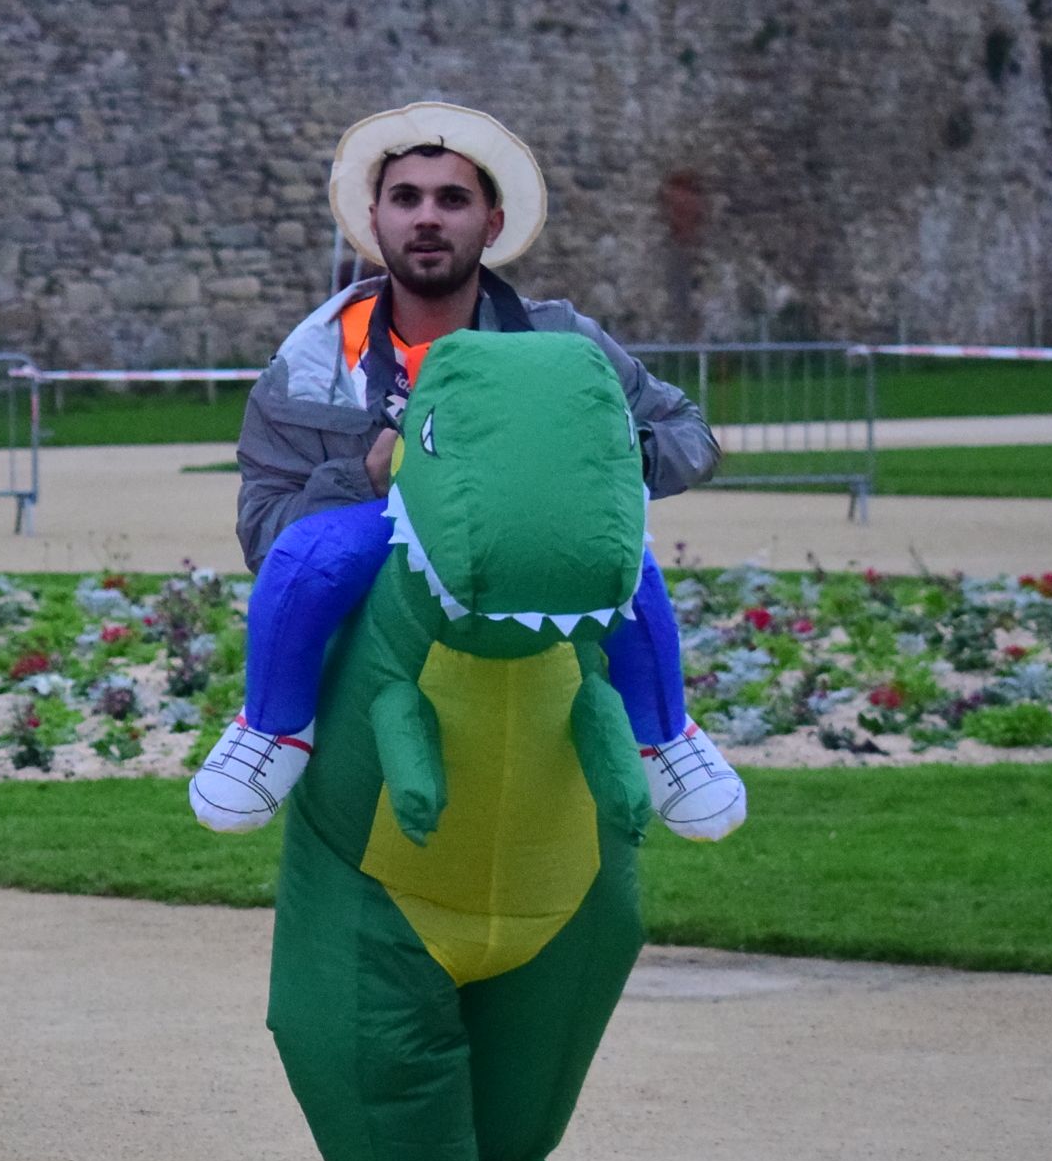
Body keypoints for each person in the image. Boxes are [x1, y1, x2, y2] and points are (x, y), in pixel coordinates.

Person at [195, 103, 747, 854]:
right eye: (406, 198)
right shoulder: (309, 367)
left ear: (492, 223)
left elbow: (690, 434)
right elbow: (264, 535)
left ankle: (666, 735)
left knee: (629, 564)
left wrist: (604, 459)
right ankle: (269, 729)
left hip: (538, 682)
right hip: (374, 680)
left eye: (452, 199)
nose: (427, 217)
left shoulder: (561, 341)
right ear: (375, 219)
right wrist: (360, 479)